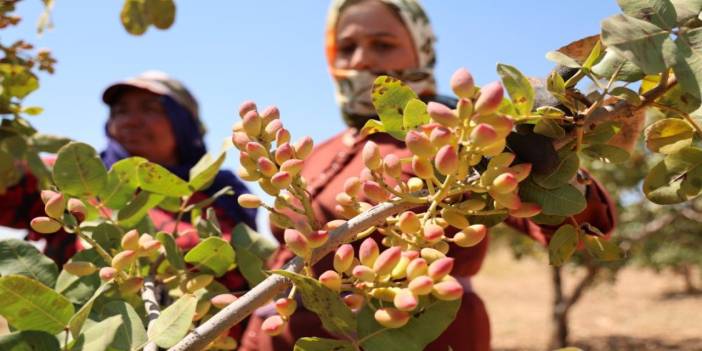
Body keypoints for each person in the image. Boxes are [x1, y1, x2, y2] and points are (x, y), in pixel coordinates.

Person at [240, 1, 617, 350]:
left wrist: (556, 162)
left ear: (422, 48)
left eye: (383, 44)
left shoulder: (464, 141)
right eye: (347, 47)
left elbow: (582, 230)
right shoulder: (317, 151)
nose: (361, 59)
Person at [0, 71, 257, 297]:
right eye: (121, 111)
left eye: (150, 108)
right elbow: (12, 181)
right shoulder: (75, 179)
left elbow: (246, 281)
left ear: (183, 123)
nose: (131, 120)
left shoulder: (222, 194)